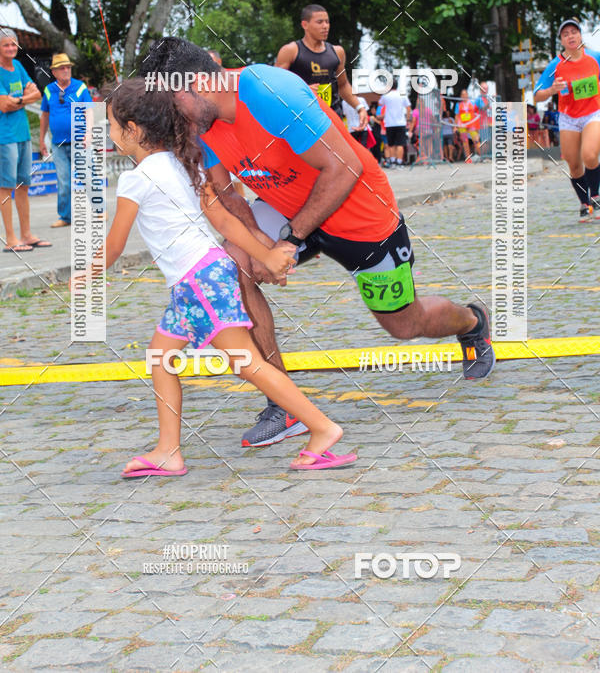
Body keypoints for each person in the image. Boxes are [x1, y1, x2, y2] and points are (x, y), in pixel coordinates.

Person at [139, 38, 496, 448]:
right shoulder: (197, 123)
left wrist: (289, 241)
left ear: (200, 83)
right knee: (232, 263)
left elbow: (345, 168)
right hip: (288, 209)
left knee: (404, 324)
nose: (169, 116)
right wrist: (260, 243)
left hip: (357, 210)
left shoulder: (268, 92)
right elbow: (226, 196)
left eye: (171, 102)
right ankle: (283, 402)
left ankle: (473, 322)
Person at [71, 79, 355, 473]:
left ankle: (322, 429)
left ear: (132, 130)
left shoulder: (136, 179)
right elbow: (224, 220)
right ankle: (168, 451)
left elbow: (116, 245)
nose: (110, 133)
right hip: (202, 277)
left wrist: (86, 273)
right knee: (160, 358)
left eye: (112, 125)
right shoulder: (184, 162)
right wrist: (267, 255)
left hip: (198, 283)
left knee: (247, 363)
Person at [534, 18, 600, 221]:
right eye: (565, 34)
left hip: (593, 113)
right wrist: (552, 90)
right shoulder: (555, 65)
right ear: (561, 40)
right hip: (569, 117)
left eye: (574, 32)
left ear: (580, 35)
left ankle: (596, 197)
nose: (571, 36)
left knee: (589, 155)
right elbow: (537, 95)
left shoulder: (595, 57)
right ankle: (584, 203)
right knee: (573, 162)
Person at [276, 4, 368, 129]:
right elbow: (275, 87)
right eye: (320, 22)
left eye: (327, 22)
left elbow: (343, 85)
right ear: (305, 25)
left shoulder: (337, 52)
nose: (325, 26)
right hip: (302, 119)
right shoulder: (290, 51)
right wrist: (302, 90)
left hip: (332, 118)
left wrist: (360, 107)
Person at [0, 28, 51, 253]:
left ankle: (26, 234)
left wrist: (18, 99)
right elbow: (4, 105)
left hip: (23, 134)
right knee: (5, 186)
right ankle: (11, 238)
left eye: (13, 44)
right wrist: (24, 97)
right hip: (5, 136)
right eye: (6, 45)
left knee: (23, 185)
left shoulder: (19, 67)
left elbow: (38, 93)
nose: (11, 48)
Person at [40, 53, 93, 228]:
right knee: (63, 181)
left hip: (80, 141)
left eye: (68, 67)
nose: (66, 70)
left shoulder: (80, 87)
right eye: (61, 68)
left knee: (87, 177)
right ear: (54, 72)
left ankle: (99, 210)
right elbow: (44, 115)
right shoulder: (49, 90)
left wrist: (88, 133)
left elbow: (89, 111)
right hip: (58, 144)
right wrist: (42, 140)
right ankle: (65, 217)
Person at [378, 79, 412, 167]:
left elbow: (380, 103)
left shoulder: (385, 96)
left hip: (389, 123)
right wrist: (408, 119)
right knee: (400, 144)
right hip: (401, 123)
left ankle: (393, 162)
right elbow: (408, 107)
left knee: (391, 144)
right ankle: (399, 162)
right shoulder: (402, 94)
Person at [456, 89, 481, 161]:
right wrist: (455, 126)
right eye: (462, 94)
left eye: (465, 94)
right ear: (461, 96)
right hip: (462, 126)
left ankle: (481, 155)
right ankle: (468, 158)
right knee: (465, 142)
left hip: (471, 125)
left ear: (467, 95)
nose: (464, 96)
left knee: (476, 140)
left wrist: (477, 125)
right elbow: (457, 116)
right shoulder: (458, 105)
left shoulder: (472, 103)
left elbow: (477, 113)